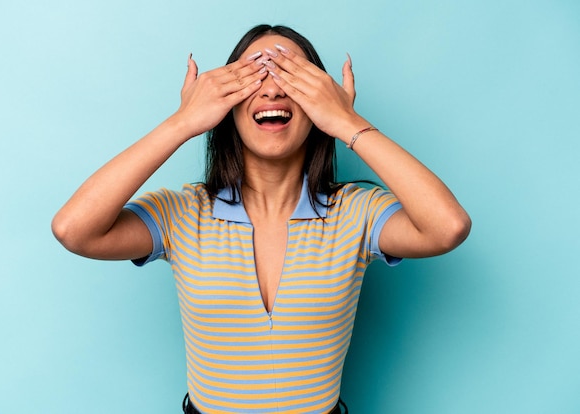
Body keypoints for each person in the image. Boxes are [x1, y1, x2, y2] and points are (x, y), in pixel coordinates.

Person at [52, 24, 471, 414]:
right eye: (254, 75)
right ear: (226, 105)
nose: (272, 91)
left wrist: (347, 122)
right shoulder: (180, 212)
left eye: (291, 76)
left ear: (318, 100)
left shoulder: (358, 212)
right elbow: (74, 230)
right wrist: (182, 123)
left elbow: (447, 227)